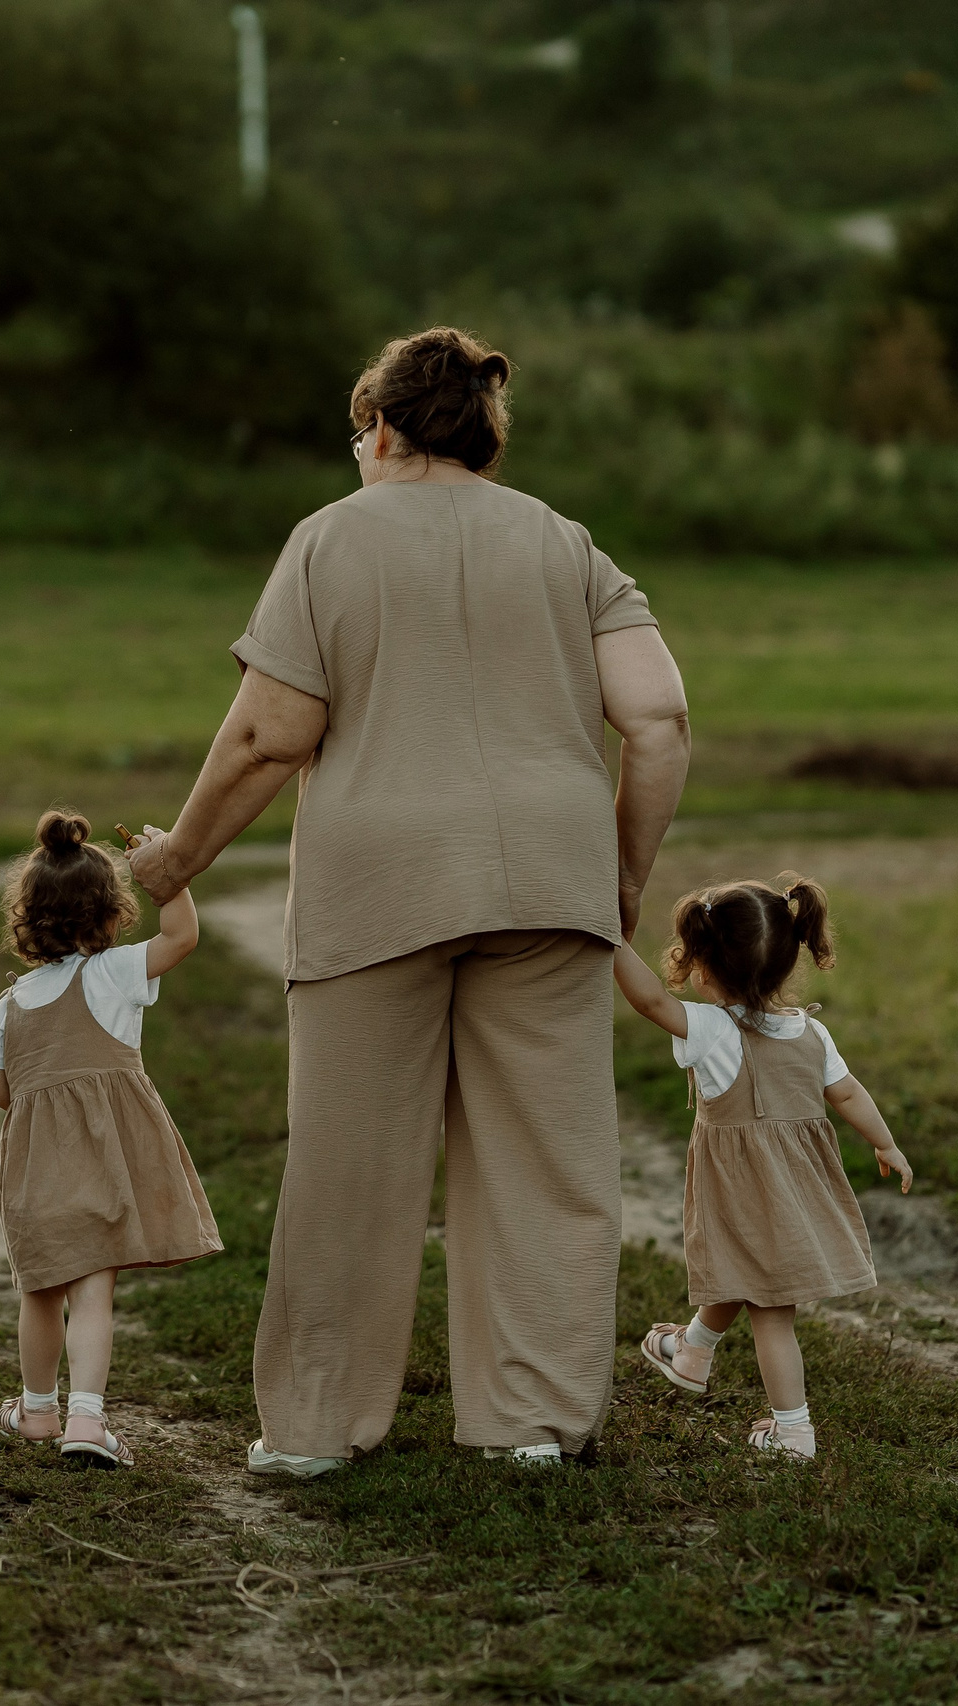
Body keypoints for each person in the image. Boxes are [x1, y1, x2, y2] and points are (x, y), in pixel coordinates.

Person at [125, 325, 694, 1476]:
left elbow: (268, 735)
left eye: (357, 431)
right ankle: (532, 1422)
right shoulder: (565, 541)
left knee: (348, 1164)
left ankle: (316, 1426)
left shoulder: (329, 538)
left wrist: (177, 857)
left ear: (381, 427)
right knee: (547, 1159)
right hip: (551, 877)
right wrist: (622, 873)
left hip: (377, 879)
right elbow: (658, 718)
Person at [620, 875, 913, 1460]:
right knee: (746, 1274)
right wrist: (886, 1144)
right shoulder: (811, 1031)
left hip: (743, 1193)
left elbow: (650, 1001)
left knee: (772, 1314)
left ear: (703, 965)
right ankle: (693, 1350)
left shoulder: (712, 1030)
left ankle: (793, 1433)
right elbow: (848, 1092)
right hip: (798, 1193)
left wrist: (609, 938)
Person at [0, 812, 221, 1469]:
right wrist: (166, 876)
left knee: (40, 1288)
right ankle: (86, 1419)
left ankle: (36, 1410)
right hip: (103, 1164)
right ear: (112, 915)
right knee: (92, 1289)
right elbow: (183, 936)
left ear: (26, 922)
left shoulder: (7, 1006)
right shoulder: (114, 973)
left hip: (35, 1171)